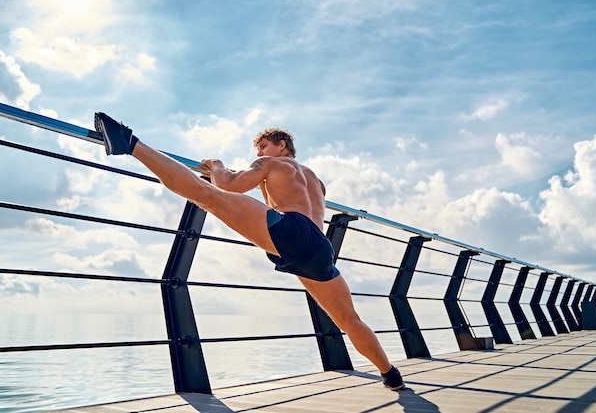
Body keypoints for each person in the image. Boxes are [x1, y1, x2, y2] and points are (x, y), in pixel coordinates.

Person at [94, 112, 405, 390]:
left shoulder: (270, 164)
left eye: (264, 146)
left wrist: (216, 166)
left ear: (282, 145)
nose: (259, 153)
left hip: (291, 231)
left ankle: (128, 142)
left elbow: (227, 185)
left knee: (206, 196)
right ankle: (390, 374)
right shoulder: (316, 180)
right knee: (348, 318)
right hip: (321, 247)